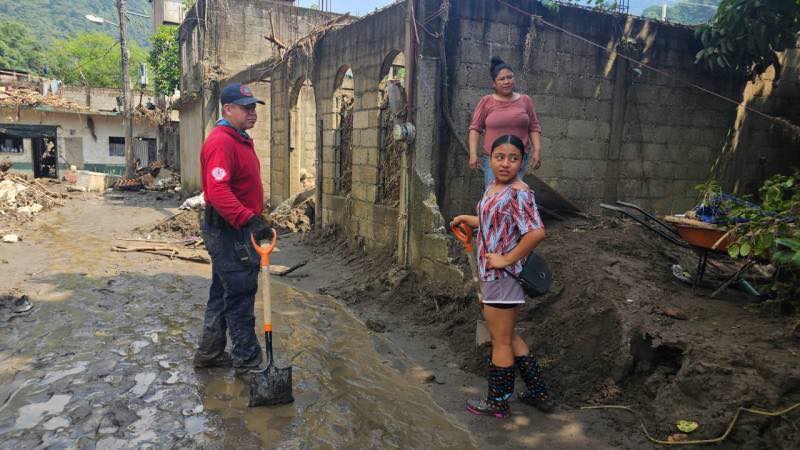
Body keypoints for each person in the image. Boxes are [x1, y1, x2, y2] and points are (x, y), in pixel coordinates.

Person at [451, 134, 554, 418]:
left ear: (521, 162)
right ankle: (539, 393)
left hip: (503, 276)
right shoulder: (494, 187)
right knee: (508, 335)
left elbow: (536, 233)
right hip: (493, 275)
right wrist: (467, 219)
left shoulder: (519, 192)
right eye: (500, 157)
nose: (506, 164)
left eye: (513, 158)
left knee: (500, 340)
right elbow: (495, 222)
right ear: (490, 159)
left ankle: (498, 402)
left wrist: (507, 258)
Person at [194, 83, 274, 375]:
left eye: (254, 107)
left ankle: (210, 352)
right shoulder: (222, 142)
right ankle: (248, 361)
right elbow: (218, 192)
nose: (252, 112)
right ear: (227, 109)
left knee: (222, 291)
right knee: (240, 292)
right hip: (229, 230)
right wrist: (248, 220)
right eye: (246, 107)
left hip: (233, 227)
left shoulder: (238, 139)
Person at [468, 56, 543, 188]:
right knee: (494, 193)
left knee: (515, 194)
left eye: (510, 77)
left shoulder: (525, 100)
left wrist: (537, 149)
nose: (507, 81)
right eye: (502, 79)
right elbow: (475, 129)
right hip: (495, 158)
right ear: (494, 83)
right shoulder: (486, 101)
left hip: (518, 158)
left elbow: (534, 127)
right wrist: (473, 154)